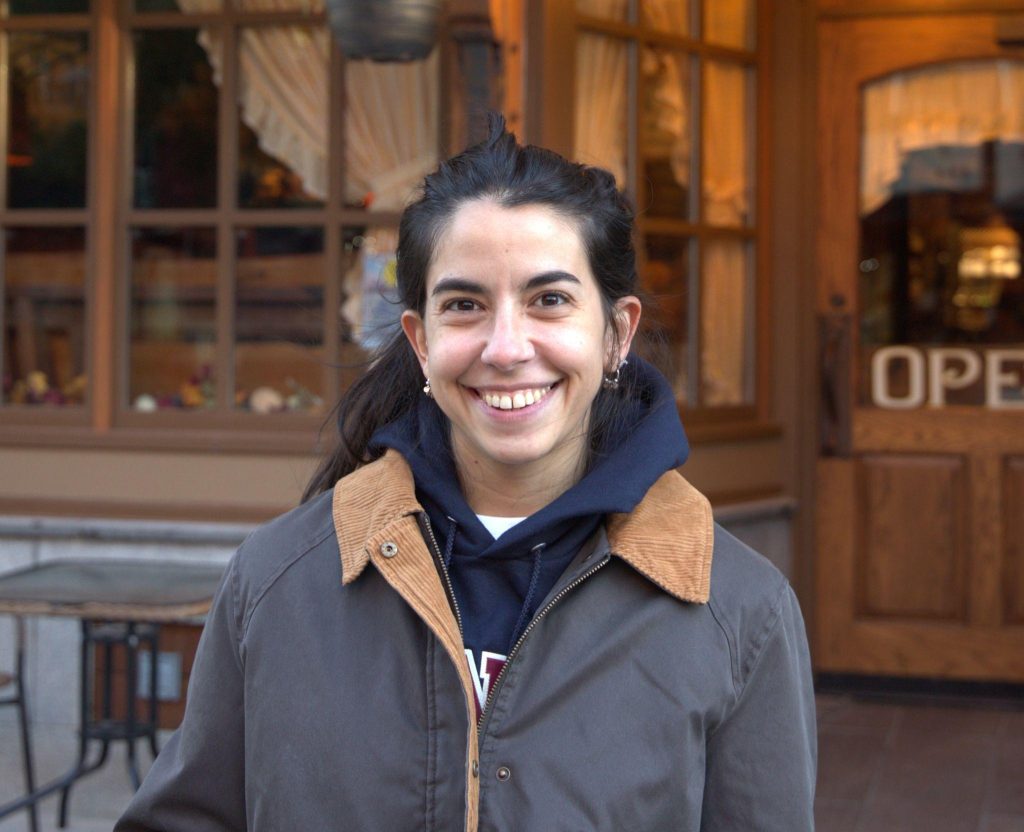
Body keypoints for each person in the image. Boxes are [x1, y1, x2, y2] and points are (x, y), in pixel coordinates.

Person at [116, 116, 816, 832]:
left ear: (616, 334)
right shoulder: (277, 582)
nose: (507, 348)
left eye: (549, 300)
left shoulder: (740, 612)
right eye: (465, 306)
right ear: (420, 342)